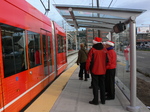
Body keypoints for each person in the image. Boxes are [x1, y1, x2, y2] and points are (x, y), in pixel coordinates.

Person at [86, 37, 107, 105]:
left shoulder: (92, 50)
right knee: (102, 85)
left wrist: (87, 69)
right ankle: (103, 100)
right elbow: (108, 60)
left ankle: (95, 100)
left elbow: (88, 60)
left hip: (94, 70)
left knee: (95, 86)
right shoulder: (104, 50)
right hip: (103, 71)